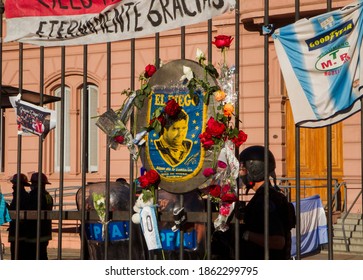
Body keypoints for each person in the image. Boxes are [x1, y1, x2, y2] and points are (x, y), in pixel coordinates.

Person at [238, 145, 295, 260]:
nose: (240, 174)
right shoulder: (266, 195)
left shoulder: (265, 200)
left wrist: (246, 234)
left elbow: (278, 242)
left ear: (255, 169)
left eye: (243, 170)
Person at [26, 172, 54, 260]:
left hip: (35, 232)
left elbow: (30, 212)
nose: (31, 186)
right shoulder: (48, 195)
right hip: (45, 232)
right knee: (43, 254)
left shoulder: (34, 195)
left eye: (33, 183)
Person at [7, 173, 31, 260]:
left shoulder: (21, 196)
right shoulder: (20, 196)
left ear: (20, 184)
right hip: (18, 234)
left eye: (14, 184)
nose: (13, 186)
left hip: (19, 234)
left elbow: (16, 213)